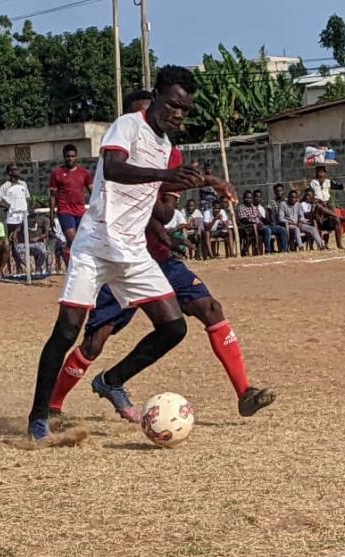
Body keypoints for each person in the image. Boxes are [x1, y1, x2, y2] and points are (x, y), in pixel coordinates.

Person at [27, 65, 231, 442]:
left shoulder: (167, 147)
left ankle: (112, 379)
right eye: (172, 105)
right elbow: (115, 168)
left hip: (134, 251)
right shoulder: (128, 125)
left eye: (185, 110)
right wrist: (163, 177)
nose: (177, 114)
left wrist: (206, 180)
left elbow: (163, 194)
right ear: (157, 98)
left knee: (174, 327)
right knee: (68, 329)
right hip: (95, 245)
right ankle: (38, 418)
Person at [49, 143, 93, 247]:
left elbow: (93, 191)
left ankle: (68, 260)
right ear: (64, 157)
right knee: (74, 242)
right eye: (68, 156)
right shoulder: (57, 173)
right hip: (65, 211)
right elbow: (52, 196)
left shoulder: (84, 173)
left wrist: (98, 209)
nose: (70, 159)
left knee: (81, 243)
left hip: (80, 211)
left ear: (76, 157)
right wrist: (51, 216)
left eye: (72, 156)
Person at [0, 163, 31, 244]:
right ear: (10, 172)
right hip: (12, 218)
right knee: (13, 241)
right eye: (15, 169)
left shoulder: (23, 184)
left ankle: (25, 256)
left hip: (24, 217)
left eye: (18, 169)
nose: (17, 171)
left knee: (25, 240)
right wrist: (7, 206)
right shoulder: (6, 186)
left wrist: (28, 209)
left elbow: (27, 197)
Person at [254, 189, 287, 253]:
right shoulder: (252, 207)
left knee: (282, 229)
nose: (258, 199)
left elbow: (264, 220)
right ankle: (268, 250)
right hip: (259, 228)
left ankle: (284, 250)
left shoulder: (261, 208)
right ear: (253, 197)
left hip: (265, 226)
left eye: (259, 197)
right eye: (256, 197)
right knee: (267, 230)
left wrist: (270, 217)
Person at [235, 191, 263, 256]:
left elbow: (260, 217)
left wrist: (266, 222)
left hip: (255, 226)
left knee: (266, 230)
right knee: (253, 228)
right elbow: (243, 220)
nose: (248, 200)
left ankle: (246, 249)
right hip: (245, 226)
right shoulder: (241, 207)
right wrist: (254, 223)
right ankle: (254, 247)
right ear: (243, 198)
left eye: (250, 198)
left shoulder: (253, 206)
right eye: (247, 198)